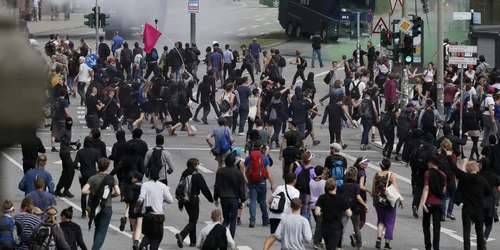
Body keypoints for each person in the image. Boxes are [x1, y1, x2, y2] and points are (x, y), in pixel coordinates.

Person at [446, 154, 491, 250]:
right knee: (479, 231)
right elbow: (489, 192)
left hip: (467, 208)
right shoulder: (483, 180)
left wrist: (449, 157)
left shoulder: (465, 178)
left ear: (469, 168)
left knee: (466, 231)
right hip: (479, 208)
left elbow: (455, 169)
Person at [81, 158, 121, 250]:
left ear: (98, 166)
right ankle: (95, 248)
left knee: (97, 228)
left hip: (95, 206)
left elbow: (83, 191)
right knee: (102, 231)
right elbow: (118, 192)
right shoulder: (111, 178)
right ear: (108, 166)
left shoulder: (93, 178)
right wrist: (111, 196)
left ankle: (95, 246)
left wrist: (92, 192)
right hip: (107, 206)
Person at [176, 158, 214, 248]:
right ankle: (182, 234)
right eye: (198, 163)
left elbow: (181, 188)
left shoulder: (184, 174)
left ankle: (193, 241)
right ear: (195, 165)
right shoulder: (197, 176)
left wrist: (180, 203)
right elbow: (204, 189)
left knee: (192, 219)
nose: (199, 165)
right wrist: (211, 199)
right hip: (193, 199)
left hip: (185, 200)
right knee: (193, 220)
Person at [134, 166, 174, 250]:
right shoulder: (163, 186)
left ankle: (143, 246)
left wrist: (137, 207)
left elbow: (141, 198)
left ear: (149, 175)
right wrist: (162, 200)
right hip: (158, 216)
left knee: (148, 235)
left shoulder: (145, 185)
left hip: (148, 215)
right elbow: (170, 200)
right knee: (157, 237)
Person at [371, 159, 404, 250]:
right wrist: (400, 200)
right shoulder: (391, 175)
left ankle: (378, 238)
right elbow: (395, 188)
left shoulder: (376, 175)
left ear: (381, 166)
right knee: (390, 222)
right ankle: (387, 244)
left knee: (381, 220)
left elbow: (373, 189)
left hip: (378, 201)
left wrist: (373, 196)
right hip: (389, 202)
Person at [213, 153, 247, 238]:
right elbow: (241, 188)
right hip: (234, 198)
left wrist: (216, 198)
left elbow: (217, 185)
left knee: (226, 219)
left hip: (224, 197)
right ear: (234, 162)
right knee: (233, 220)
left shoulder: (220, 171)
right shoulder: (238, 173)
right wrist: (242, 200)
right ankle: (231, 239)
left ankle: (222, 237)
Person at [244, 140, 275, 227]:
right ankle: (265, 219)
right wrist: (272, 184)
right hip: (262, 181)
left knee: (253, 201)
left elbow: (246, 171)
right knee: (262, 201)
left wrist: (247, 180)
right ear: (262, 148)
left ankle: (252, 221)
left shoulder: (249, 157)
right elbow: (268, 172)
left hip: (252, 181)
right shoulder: (264, 158)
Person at [314, 178, 352, 249]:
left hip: (325, 226)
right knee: (332, 247)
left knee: (328, 246)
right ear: (336, 187)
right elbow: (349, 213)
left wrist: (322, 212)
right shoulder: (342, 198)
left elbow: (317, 212)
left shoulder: (322, 197)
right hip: (336, 227)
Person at [421, 155, 447, 250]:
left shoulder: (427, 173)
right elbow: (444, 190)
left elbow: (426, 188)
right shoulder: (443, 175)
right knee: (437, 226)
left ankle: (428, 246)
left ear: (431, 163)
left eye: (428, 162)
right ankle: (436, 247)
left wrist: (423, 202)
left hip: (429, 202)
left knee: (426, 225)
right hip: (439, 203)